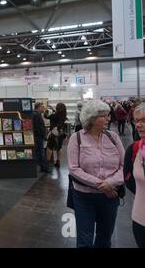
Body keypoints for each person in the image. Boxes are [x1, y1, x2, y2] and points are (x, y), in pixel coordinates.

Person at [67, 100, 124, 248]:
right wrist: (101, 185)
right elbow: (74, 169)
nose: (108, 119)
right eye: (104, 116)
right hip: (84, 197)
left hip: (111, 196)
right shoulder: (76, 138)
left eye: (108, 115)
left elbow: (124, 166)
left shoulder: (113, 137)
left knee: (105, 238)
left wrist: (109, 184)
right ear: (92, 118)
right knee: (85, 240)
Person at [124, 103, 145, 248]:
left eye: (144, 121)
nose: (138, 125)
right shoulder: (134, 149)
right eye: (136, 121)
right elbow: (128, 178)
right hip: (140, 218)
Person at [45, 102, 67, 168]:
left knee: (49, 147)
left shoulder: (53, 115)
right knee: (59, 148)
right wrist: (53, 109)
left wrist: (46, 110)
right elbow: (58, 114)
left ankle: (47, 164)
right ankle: (58, 162)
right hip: (60, 134)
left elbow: (46, 116)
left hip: (53, 134)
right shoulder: (64, 116)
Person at [32, 102, 50, 173]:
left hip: (38, 137)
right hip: (38, 137)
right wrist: (43, 136)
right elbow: (37, 127)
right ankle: (44, 168)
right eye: (42, 107)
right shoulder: (37, 115)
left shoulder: (37, 115)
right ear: (38, 107)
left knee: (40, 152)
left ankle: (43, 167)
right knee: (41, 152)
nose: (43, 108)